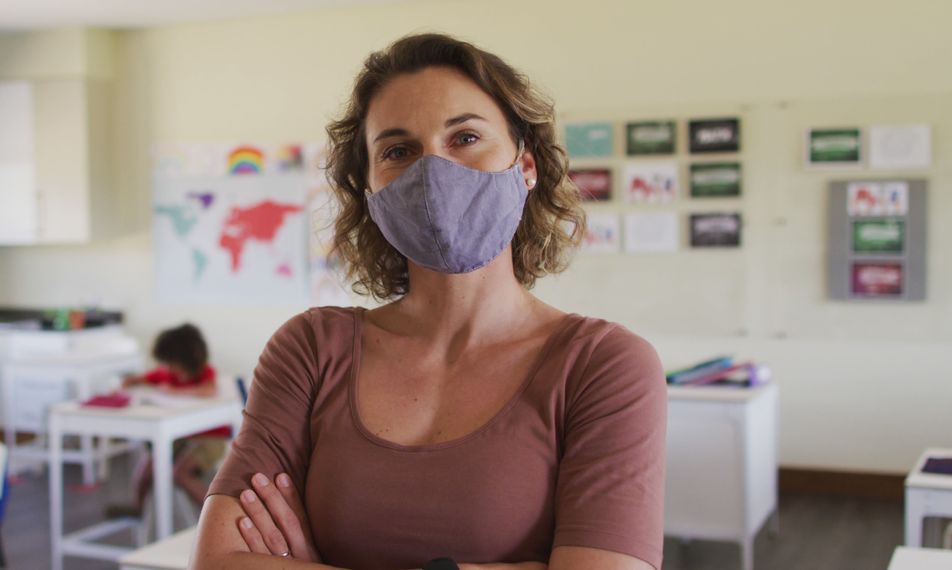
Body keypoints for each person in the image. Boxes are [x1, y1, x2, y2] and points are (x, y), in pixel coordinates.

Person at [191, 33, 666, 570]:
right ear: (370, 192)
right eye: (397, 151)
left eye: (465, 137)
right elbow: (218, 562)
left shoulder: (602, 365)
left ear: (526, 166)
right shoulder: (311, 349)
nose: (433, 173)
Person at [106, 323, 230, 517]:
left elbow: (209, 390)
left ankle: (217, 516)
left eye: (172, 363)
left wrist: (176, 391)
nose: (170, 368)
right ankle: (137, 507)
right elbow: (140, 379)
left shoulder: (205, 373)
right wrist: (127, 383)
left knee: (180, 474)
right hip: (180, 436)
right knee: (149, 464)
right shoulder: (165, 374)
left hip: (210, 437)